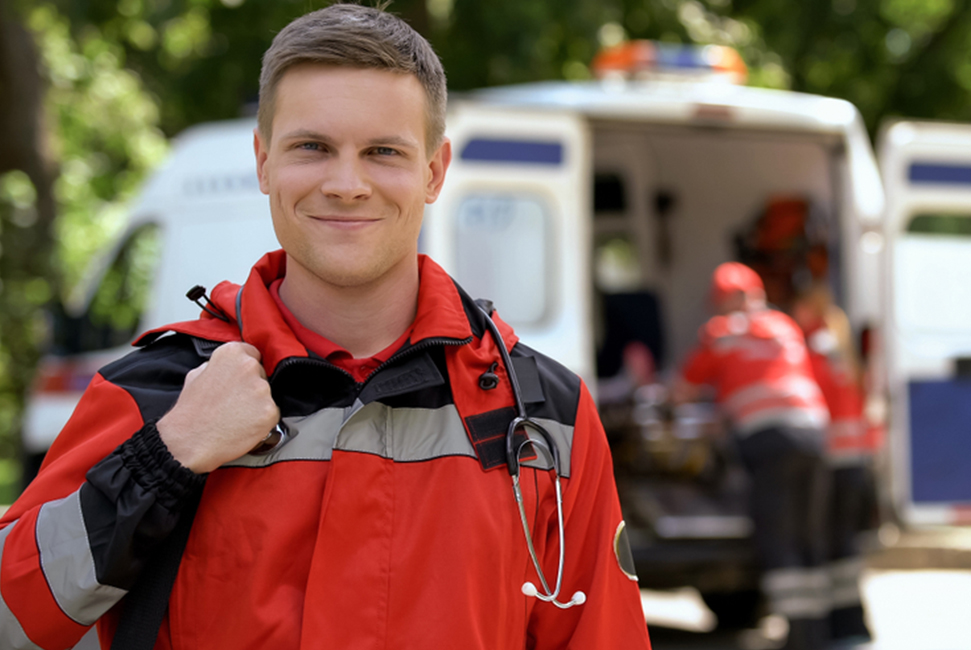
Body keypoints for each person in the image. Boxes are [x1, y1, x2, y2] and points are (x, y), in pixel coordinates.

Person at [0, 6, 651, 649]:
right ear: (263, 161)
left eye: (383, 152)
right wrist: (165, 456)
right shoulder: (157, 393)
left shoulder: (544, 416)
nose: (346, 183)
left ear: (433, 171)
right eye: (312, 147)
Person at [675, 262, 832, 650]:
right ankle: (814, 632)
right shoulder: (784, 325)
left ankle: (797, 638)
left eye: (723, 300)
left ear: (736, 298)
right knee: (807, 533)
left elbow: (682, 391)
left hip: (768, 441)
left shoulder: (722, 332)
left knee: (777, 536)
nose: (721, 307)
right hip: (814, 434)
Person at [793, 280, 877, 645]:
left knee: (823, 544)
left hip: (829, 460)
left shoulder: (812, 345)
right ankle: (851, 622)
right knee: (845, 547)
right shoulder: (841, 346)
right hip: (855, 460)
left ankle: (828, 625)